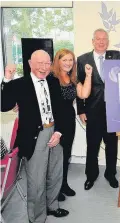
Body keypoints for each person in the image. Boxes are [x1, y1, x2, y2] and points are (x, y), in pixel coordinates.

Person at [1, 50, 69, 222]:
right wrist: (7, 78)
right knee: (36, 180)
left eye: (47, 63)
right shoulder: (19, 84)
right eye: (39, 63)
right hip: (35, 135)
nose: (43, 67)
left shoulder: (53, 81)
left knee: (55, 173)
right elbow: (3, 105)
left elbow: (61, 109)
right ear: (30, 64)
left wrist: (59, 132)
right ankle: (37, 218)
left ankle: (52, 206)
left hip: (55, 131)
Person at [77, 27, 120, 190]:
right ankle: (91, 176)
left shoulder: (115, 56)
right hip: (92, 111)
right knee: (92, 146)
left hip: (113, 111)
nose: (101, 42)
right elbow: (77, 85)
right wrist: (81, 110)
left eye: (104, 39)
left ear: (108, 42)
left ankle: (110, 174)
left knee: (111, 145)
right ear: (93, 41)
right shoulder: (82, 59)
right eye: (98, 39)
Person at [51, 48, 93, 201]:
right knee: (55, 158)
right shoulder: (51, 78)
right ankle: (54, 189)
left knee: (66, 155)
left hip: (69, 121)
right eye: (65, 60)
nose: (68, 63)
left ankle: (63, 184)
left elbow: (84, 94)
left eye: (71, 60)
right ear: (58, 61)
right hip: (55, 122)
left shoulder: (72, 78)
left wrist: (88, 75)